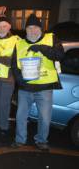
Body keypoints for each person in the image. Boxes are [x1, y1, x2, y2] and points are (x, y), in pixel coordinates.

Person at [11, 14, 64, 151]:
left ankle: (41, 140)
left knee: (45, 118)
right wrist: (21, 81)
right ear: (26, 30)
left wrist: (41, 48)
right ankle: (20, 140)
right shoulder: (20, 44)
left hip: (45, 87)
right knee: (21, 117)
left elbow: (59, 55)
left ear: (41, 29)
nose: (32, 31)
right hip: (25, 88)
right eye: (29, 28)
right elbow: (14, 66)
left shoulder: (50, 38)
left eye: (35, 28)